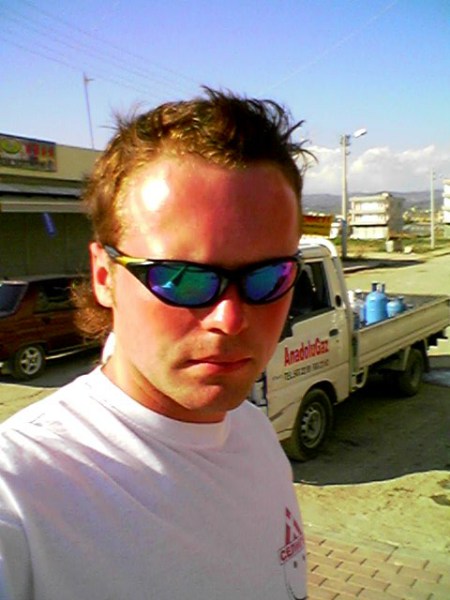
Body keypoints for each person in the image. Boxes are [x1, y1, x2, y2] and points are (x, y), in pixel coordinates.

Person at [0, 88, 312, 600]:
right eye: (182, 279)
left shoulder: (255, 434)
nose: (230, 319)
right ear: (105, 276)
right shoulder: (21, 497)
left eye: (267, 277)